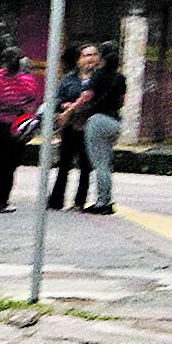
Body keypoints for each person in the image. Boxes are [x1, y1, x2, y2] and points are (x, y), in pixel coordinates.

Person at [0, 46, 44, 212]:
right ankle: (1, 200)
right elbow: (30, 104)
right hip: (15, 127)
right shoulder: (28, 82)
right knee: (9, 164)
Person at [47, 42, 102, 211]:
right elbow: (57, 99)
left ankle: (80, 202)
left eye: (93, 55)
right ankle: (56, 200)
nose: (90, 59)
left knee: (86, 167)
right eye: (86, 55)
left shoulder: (101, 79)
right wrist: (64, 106)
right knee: (64, 165)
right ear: (79, 60)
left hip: (90, 127)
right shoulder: (69, 79)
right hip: (70, 127)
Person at [77, 43, 127, 215]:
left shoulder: (97, 76)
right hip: (115, 122)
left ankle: (102, 202)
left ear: (102, 58)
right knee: (106, 163)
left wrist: (72, 111)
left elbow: (87, 97)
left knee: (100, 164)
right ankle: (107, 199)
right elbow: (122, 101)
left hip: (98, 121)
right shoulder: (121, 78)